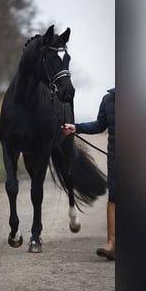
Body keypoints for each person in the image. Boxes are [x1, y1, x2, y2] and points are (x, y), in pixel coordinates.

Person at [62, 87, 115, 260]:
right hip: (115, 160)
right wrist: (75, 128)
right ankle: (112, 244)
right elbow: (99, 125)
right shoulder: (108, 100)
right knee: (114, 198)